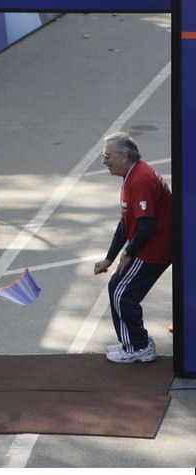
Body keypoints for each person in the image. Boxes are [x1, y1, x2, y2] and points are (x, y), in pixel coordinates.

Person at [94, 132, 172, 364]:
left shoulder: (141, 180)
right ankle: (133, 343)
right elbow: (125, 223)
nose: (104, 161)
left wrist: (127, 254)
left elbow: (146, 226)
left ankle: (139, 346)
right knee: (118, 289)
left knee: (122, 295)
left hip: (154, 249)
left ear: (124, 157)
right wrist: (109, 258)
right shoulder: (131, 177)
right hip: (148, 245)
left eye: (107, 156)